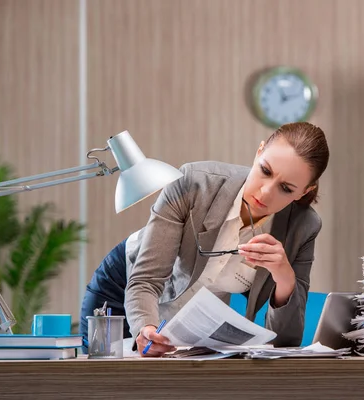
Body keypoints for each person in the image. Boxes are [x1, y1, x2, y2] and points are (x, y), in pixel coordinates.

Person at [79, 121, 330, 356]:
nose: (265, 192)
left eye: (286, 188)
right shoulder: (193, 183)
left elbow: (287, 341)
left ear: (304, 191)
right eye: (265, 171)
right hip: (123, 289)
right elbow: (146, 279)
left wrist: (284, 277)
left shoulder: (303, 227)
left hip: (191, 318)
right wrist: (144, 328)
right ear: (259, 151)